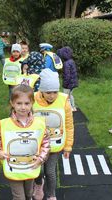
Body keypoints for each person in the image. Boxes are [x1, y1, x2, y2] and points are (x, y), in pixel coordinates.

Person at [0, 84, 50, 200]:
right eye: (19, 103)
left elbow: (46, 143)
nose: (23, 107)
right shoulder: (5, 124)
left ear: (32, 103)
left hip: (31, 166)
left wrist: (41, 158)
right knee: (19, 197)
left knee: (28, 194)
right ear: (12, 103)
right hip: (13, 168)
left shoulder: (39, 124)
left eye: (27, 103)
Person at [32, 69, 74, 200]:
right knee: (39, 170)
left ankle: (51, 195)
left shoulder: (63, 101)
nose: (52, 96)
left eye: (55, 92)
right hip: (37, 145)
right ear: (41, 91)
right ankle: (39, 184)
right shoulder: (32, 99)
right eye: (48, 92)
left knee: (50, 171)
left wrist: (68, 146)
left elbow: (69, 125)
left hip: (54, 145)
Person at [57, 46, 78, 111]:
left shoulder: (66, 64)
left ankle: (69, 108)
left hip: (68, 84)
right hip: (73, 83)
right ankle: (73, 107)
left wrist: (65, 85)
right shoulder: (72, 61)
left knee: (66, 96)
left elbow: (67, 76)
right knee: (70, 95)